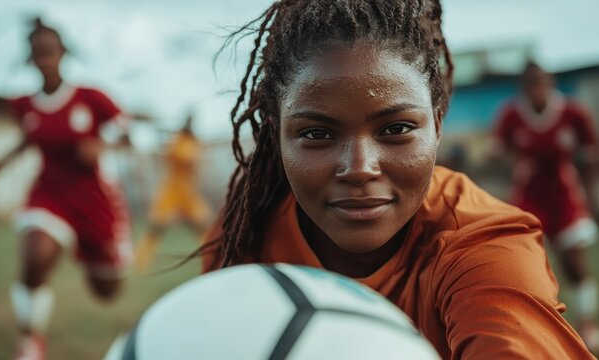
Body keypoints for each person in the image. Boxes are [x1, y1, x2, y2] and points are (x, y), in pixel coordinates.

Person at [195, 1, 595, 358]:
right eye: (317, 134)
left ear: (437, 125)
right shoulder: (247, 227)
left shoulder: (483, 247)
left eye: (396, 128)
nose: (359, 168)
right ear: (276, 132)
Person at [0, 18, 132, 360]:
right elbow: (29, 137)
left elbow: (125, 133)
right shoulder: (23, 105)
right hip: (49, 194)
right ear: (31, 59)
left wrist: (101, 145)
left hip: (94, 200)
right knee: (34, 258)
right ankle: (30, 342)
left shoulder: (91, 98)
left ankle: (85, 250)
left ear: (62, 53)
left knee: (107, 291)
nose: (45, 59)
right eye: (38, 53)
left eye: (50, 51)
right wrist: (3, 160)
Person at [492, 62, 599, 351]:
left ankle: (588, 323)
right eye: (530, 85)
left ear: (550, 84)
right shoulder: (512, 115)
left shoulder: (573, 113)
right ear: (523, 89)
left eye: (541, 83)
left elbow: (590, 158)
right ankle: (538, 328)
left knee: (575, 263)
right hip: (529, 197)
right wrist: (512, 163)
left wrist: (592, 197)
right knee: (529, 265)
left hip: (565, 195)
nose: (537, 90)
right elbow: (497, 154)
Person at [134, 114, 212, 270]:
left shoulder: (193, 142)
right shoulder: (178, 142)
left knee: (203, 225)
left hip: (188, 192)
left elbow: (197, 163)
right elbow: (184, 157)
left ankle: (212, 255)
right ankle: (140, 261)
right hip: (172, 190)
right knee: (156, 226)